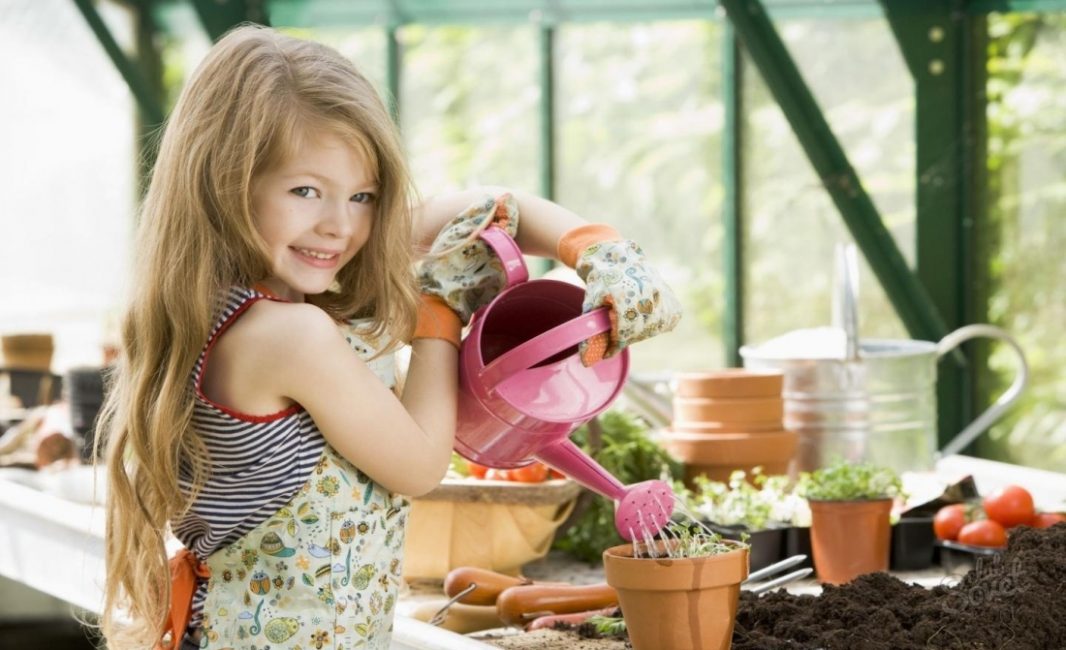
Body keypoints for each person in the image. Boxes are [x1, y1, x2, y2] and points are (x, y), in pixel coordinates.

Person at [96, 24, 681, 650]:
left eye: (364, 195)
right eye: (305, 190)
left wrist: (595, 247)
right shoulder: (287, 336)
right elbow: (420, 463)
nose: (339, 227)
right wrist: (438, 314)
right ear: (224, 181)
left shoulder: (237, 301)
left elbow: (485, 206)